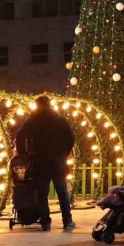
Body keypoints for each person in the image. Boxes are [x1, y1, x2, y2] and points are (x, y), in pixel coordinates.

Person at [14, 95, 77, 231]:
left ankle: (45, 222)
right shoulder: (60, 120)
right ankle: (67, 220)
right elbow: (71, 138)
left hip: (39, 161)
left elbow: (20, 136)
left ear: (37, 105)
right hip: (57, 161)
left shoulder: (32, 120)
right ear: (49, 105)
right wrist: (63, 154)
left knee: (42, 194)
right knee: (62, 191)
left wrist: (23, 154)